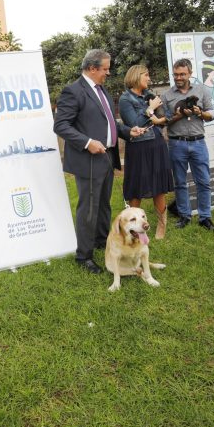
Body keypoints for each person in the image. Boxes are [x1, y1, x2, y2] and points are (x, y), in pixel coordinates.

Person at [54, 49, 147, 274]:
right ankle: (83, 256)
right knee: (89, 208)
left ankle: (100, 241)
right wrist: (87, 142)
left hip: (107, 157)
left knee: (103, 204)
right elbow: (60, 125)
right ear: (92, 68)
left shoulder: (100, 89)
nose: (108, 72)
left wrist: (127, 131)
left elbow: (108, 121)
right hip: (89, 160)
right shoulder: (73, 91)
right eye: (105, 69)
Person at [118, 65, 174, 239]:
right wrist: (150, 109)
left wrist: (158, 113)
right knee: (137, 187)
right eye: (146, 75)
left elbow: (163, 119)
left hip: (156, 144)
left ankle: (162, 224)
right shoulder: (125, 99)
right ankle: (134, 226)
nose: (149, 79)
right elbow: (134, 122)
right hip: (138, 148)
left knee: (158, 186)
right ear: (136, 77)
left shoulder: (150, 96)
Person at [162, 58, 214, 231]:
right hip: (176, 143)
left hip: (198, 142)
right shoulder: (167, 95)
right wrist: (177, 115)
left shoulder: (201, 90)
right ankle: (184, 216)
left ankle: (205, 217)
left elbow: (212, 113)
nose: (178, 77)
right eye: (176, 74)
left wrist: (200, 113)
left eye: (182, 74)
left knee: (204, 182)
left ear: (190, 74)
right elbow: (163, 122)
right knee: (179, 182)